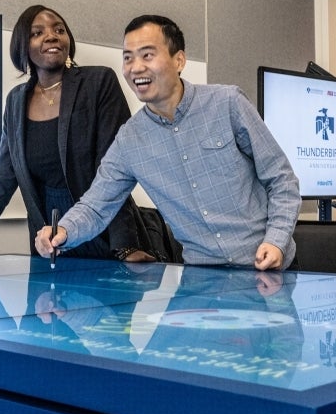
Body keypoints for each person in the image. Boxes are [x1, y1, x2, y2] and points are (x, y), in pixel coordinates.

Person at [34, 15, 301, 270]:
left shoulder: (227, 103)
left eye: (147, 55)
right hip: (204, 281)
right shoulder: (130, 138)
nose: (135, 67)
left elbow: (281, 179)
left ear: (179, 60)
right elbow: (96, 206)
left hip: (270, 270)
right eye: (128, 58)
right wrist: (63, 231)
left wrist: (276, 241)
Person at [0, 5, 155, 262]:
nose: (51, 36)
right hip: (47, 246)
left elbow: (114, 170)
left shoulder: (98, 83)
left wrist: (125, 246)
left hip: (106, 237)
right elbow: (1, 180)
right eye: (37, 33)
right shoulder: (15, 102)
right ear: (23, 47)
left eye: (59, 30)